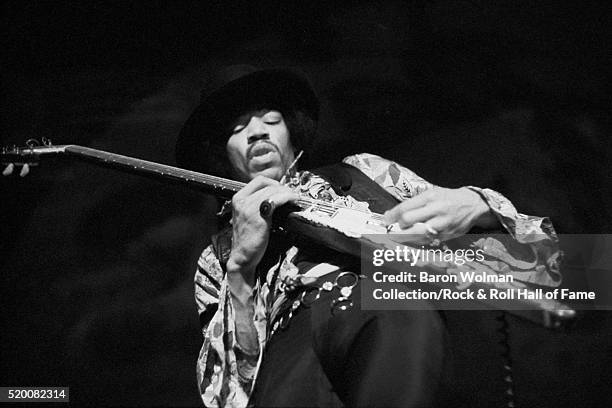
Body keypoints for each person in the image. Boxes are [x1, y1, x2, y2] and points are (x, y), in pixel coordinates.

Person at [175, 65, 561, 407]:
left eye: (271, 119)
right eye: (238, 129)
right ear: (223, 156)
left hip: (386, 303)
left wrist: (478, 203)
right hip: (289, 348)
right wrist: (241, 268)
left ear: (293, 133)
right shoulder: (217, 255)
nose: (257, 131)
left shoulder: (364, 173)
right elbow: (228, 391)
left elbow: (554, 264)